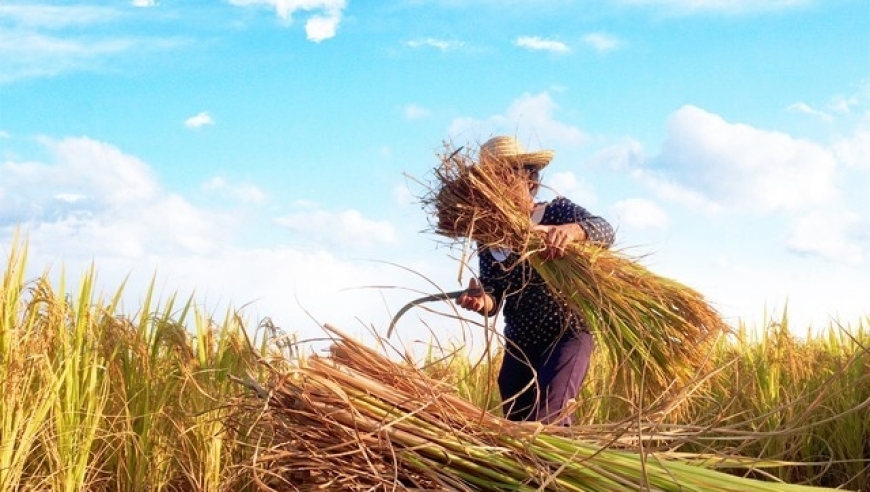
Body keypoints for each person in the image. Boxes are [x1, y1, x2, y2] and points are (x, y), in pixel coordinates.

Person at [456, 135, 615, 426]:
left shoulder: (555, 211)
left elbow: (605, 230)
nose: (499, 186)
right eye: (492, 180)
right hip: (520, 343)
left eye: (506, 177)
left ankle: (557, 471)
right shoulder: (489, 236)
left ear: (530, 179)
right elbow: (495, 294)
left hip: (566, 333)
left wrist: (570, 231)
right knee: (516, 426)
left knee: (549, 421)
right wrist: (481, 299)